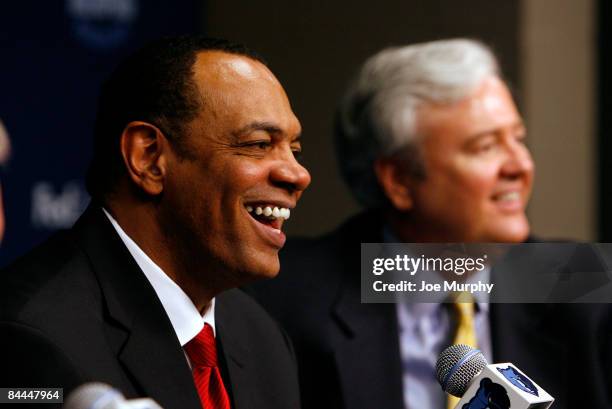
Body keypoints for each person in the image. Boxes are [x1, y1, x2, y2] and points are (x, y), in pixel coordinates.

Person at [250, 39, 612, 409]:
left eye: (518, 139)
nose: (520, 166)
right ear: (400, 180)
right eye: (486, 146)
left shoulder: (584, 285)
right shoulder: (282, 300)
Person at [0, 36, 310, 409]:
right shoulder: (29, 338)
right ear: (148, 158)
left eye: (293, 150)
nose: (298, 175)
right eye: (259, 144)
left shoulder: (261, 337)